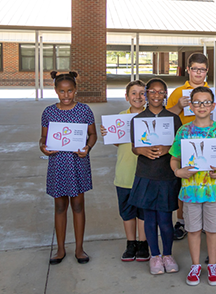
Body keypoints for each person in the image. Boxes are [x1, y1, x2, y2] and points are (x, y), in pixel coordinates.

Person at [169, 87, 216, 286]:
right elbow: (174, 158)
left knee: (213, 230)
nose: (202, 106)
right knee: (194, 229)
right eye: (197, 102)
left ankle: (213, 265)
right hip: (190, 191)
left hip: (214, 190)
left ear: (213, 105)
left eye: (206, 102)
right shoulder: (183, 131)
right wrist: (178, 172)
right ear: (191, 105)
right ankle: (195, 265)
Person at [40, 71, 97, 265]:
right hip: (58, 164)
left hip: (78, 163)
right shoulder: (49, 112)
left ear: (75, 90)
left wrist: (87, 147)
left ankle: (79, 248)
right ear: (56, 91)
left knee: (78, 206)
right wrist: (43, 147)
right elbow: (43, 137)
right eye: (62, 91)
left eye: (70, 91)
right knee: (60, 206)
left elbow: (92, 134)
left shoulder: (84, 110)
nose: (66, 96)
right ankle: (60, 249)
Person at [129, 78, 182, 275]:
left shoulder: (173, 119)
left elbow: (179, 147)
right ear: (146, 94)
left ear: (165, 95)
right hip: (146, 174)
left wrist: (168, 148)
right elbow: (135, 146)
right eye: (153, 91)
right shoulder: (138, 119)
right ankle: (155, 256)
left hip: (166, 174)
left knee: (166, 219)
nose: (157, 95)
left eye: (161, 92)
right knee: (149, 219)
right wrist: (142, 151)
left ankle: (168, 255)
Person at [166, 53, 216, 241]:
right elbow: (166, 119)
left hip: (209, 144)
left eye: (202, 69)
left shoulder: (213, 93)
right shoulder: (178, 93)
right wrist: (178, 107)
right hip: (184, 145)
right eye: (195, 69)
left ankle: (206, 222)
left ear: (207, 71)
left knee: (206, 182)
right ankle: (182, 221)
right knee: (186, 184)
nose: (198, 73)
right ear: (188, 69)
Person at [100, 80, 150, 262]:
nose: (138, 97)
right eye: (134, 93)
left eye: (142, 93)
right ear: (127, 97)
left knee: (144, 210)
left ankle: (143, 243)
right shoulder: (120, 117)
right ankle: (131, 243)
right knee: (127, 211)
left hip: (146, 173)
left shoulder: (152, 117)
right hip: (124, 172)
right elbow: (117, 142)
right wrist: (109, 133)